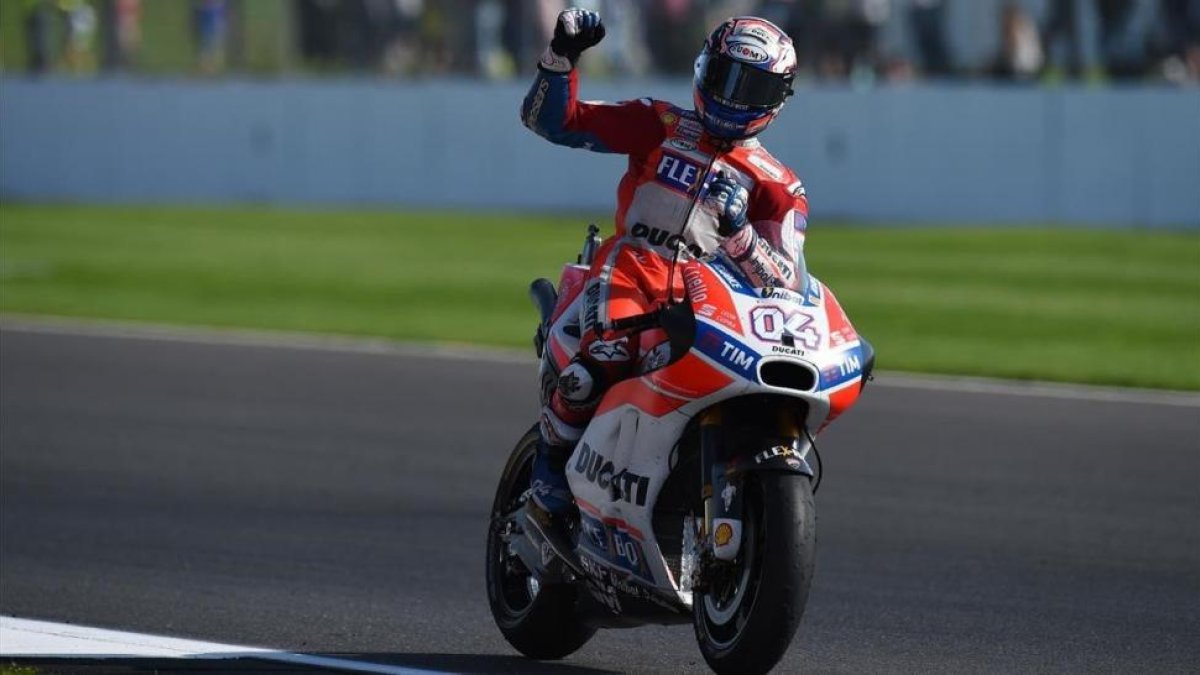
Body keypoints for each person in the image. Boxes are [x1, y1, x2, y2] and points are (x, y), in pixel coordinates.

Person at [520, 8, 810, 525]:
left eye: (753, 88)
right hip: (630, 269)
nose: (733, 97)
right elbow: (553, 122)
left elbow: (786, 280)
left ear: (777, 100)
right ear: (703, 70)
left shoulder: (779, 186)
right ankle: (550, 461)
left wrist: (741, 234)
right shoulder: (659, 122)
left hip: (710, 299)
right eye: (725, 78)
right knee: (596, 368)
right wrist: (562, 55)